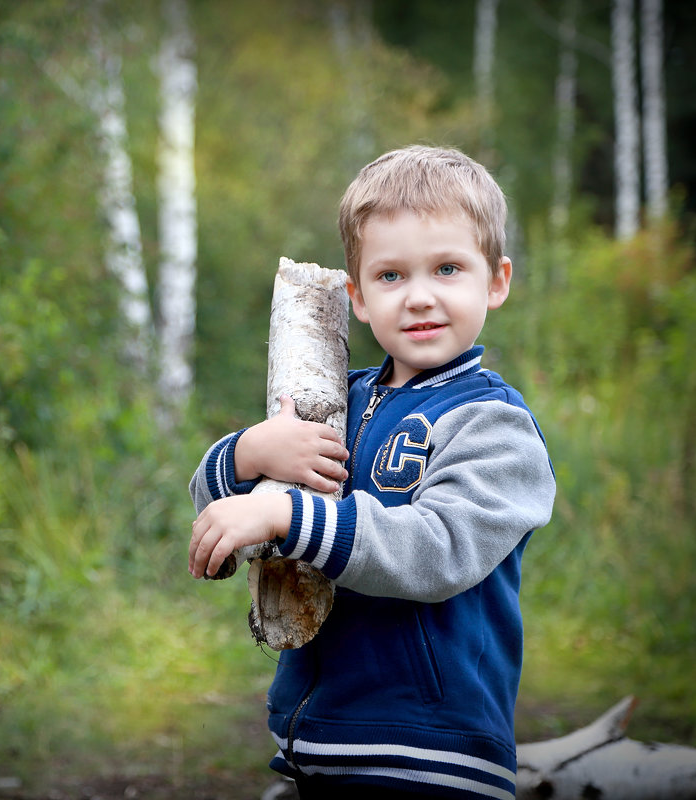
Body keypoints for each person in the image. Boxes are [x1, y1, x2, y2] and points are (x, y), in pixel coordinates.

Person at [187, 145, 556, 799]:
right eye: (390, 276)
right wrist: (249, 455)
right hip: (320, 743)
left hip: (430, 753)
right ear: (355, 296)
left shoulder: (492, 426)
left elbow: (435, 551)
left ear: (495, 280)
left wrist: (287, 515)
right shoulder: (335, 399)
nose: (419, 297)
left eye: (447, 268)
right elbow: (227, 506)